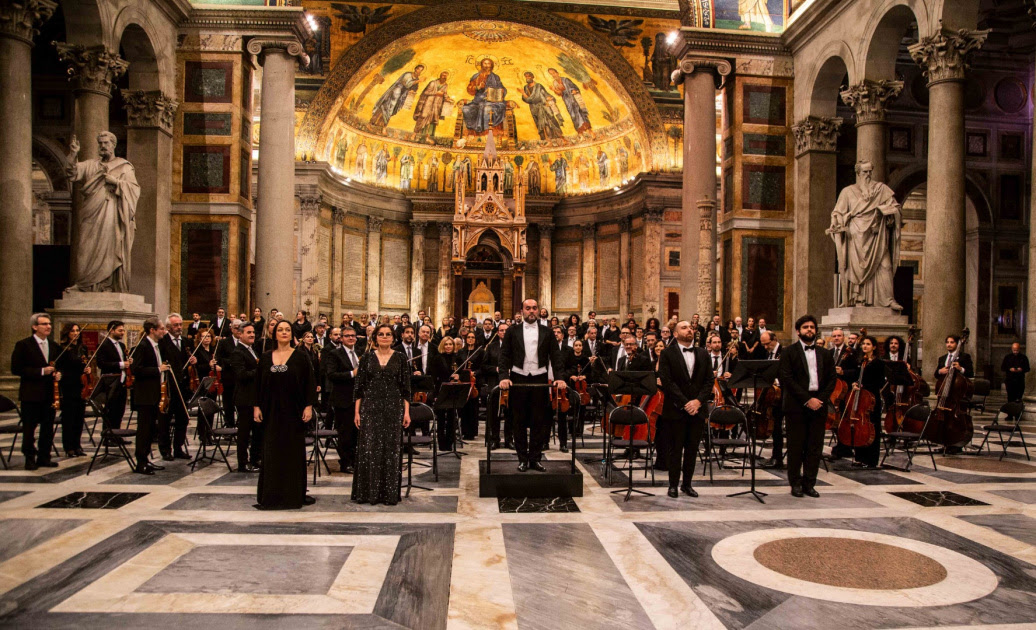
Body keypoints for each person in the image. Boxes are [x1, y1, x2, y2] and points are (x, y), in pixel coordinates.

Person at [499, 298, 568, 472]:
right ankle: (522, 459)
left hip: (540, 379)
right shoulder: (512, 331)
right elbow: (504, 356)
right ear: (522, 311)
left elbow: (556, 356)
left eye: (534, 308)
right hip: (518, 378)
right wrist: (503, 377)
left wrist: (559, 377)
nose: (531, 311)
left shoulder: (548, 332)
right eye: (528, 308)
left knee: (540, 420)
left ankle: (535, 458)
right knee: (518, 420)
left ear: (538, 310)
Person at [254, 320, 317, 509]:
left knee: (292, 453)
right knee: (272, 452)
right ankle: (272, 495)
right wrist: (256, 406)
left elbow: (310, 382)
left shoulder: (300, 356)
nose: (283, 332)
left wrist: (308, 406)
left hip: (294, 411)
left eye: (287, 330)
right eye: (280, 330)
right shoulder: (265, 357)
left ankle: (292, 495)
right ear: (274, 334)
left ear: (292, 334)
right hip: (271, 411)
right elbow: (258, 384)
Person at [352, 324, 411, 505]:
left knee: (391, 450)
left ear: (393, 338)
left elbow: (406, 388)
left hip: (393, 408)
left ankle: (389, 494)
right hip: (370, 408)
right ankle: (369, 493)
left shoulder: (401, 358)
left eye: (388, 334)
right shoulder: (367, 358)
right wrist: (357, 412)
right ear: (375, 338)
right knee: (370, 449)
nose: (384, 337)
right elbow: (359, 387)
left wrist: (406, 412)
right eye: (381, 334)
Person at [779, 315, 836, 498]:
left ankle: (809, 483)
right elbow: (787, 379)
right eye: (805, 327)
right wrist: (807, 399)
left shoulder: (825, 354)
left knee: (814, 447)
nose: (809, 330)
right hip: (797, 405)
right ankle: (795, 483)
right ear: (798, 331)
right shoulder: (789, 352)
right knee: (796, 446)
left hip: (818, 404)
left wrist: (820, 399)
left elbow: (831, 380)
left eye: (812, 327)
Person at [657, 320, 711, 498]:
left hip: (697, 409)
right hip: (675, 409)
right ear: (675, 334)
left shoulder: (703, 353)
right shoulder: (666, 353)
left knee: (692, 448)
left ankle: (687, 484)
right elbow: (667, 381)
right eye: (684, 327)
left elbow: (708, 381)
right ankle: (673, 484)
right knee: (675, 449)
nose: (689, 330)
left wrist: (698, 402)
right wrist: (685, 403)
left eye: (690, 327)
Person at [10, 313, 62, 469]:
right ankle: (29, 458)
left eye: (49, 324)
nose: (48, 326)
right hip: (31, 394)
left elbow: (58, 365)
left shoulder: (53, 345)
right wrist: (40, 372)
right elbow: (16, 369)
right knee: (30, 428)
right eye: (44, 324)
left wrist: (58, 374)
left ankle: (44, 457)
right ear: (35, 327)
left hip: (49, 394)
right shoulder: (24, 345)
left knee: (47, 427)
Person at [130, 318, 171, 475]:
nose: (164, 331)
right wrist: (157, 369)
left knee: (150, 430)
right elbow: (136, 369)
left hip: (154, 394)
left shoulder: (156, 345)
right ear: (152, 330)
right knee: (144, 430)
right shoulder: (142, 346)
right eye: (161, 328)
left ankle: (146, 459)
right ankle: (140, 462)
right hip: (145, 395)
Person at [158, 313, 195, 460]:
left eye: (180, 324)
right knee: (165, 420)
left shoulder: (186, 342)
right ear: (168, 327)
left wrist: (193, 360)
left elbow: (188, 362)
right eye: (176, 325)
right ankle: (165, 449)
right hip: (168, 387)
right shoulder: (162, 342)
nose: (179, 327)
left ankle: (178, 448)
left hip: (183, 386)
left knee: (183, 419)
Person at [847, 335, 886, 468]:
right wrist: (854, 384)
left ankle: (871, 460)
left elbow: (880, 382)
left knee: (872, 427)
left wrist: (865, 386)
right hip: (860, 397)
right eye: (863, 344)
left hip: (871, 398)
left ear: (874, 347)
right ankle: (860, 457)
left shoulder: (879, 363)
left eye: (868, 344)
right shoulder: (861, 361)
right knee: (860, 427)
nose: (865, 346)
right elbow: (856, 377)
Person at [326, 327, 360, 473]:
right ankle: (345, 463)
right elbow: (332, 374)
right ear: (341, 338)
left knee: (356, 433)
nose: (351, 338)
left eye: (353, 336)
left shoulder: (358, 353)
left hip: (357, 399)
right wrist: (353, 373)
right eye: (347, 336)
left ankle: (354, 460)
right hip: (343, 399)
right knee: (345, 433)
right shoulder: (335, 354)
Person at [54, 323, 90, 457]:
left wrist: (88, 369)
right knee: (69, 418)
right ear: (67, 333)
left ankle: (77, 445)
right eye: (73, 331)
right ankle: (68, 447)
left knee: (79, 417)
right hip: (68, 385)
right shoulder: (62, 349)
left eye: (77, 331)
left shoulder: (83, 348)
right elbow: (60, 367)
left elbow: (84, 365)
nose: (76, 333)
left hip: (81, 386)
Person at [230, 323, 261, 472]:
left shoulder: (251, 350)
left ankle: (256, 458)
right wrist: (260, 371)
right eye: (248, 332)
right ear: (240, 334)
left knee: (257, 430)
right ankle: (243, 462)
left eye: (253, 332)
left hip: (254, 397)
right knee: (244, 431)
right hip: (244, 397)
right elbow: (241, 375)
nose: (252, 335)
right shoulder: (238, 352)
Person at [95, 320, 130, 432]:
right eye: (120, 330)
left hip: (122, 382)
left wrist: (128, 362)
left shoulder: (121, 345)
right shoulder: (103, 345)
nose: (122, 333)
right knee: (110, 410)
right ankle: (108, 436)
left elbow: (123, 361)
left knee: (120, 410)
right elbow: (101, 364)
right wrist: (121, 364)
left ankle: (117, 434)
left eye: (123, 330)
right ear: (111, 330)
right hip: (110, 383)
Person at [456, 332, 483, 441]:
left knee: (473, 407)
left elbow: (483, 367)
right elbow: (458, 366)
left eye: (473, 337)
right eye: (469, 337)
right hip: (463, 381)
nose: (470, 339)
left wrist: (474, 373)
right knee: (464, 407)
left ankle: (471, 432)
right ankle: (463, 430)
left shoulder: (480, 352)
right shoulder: (461, 352)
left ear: (475, 339)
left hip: (475, 381)